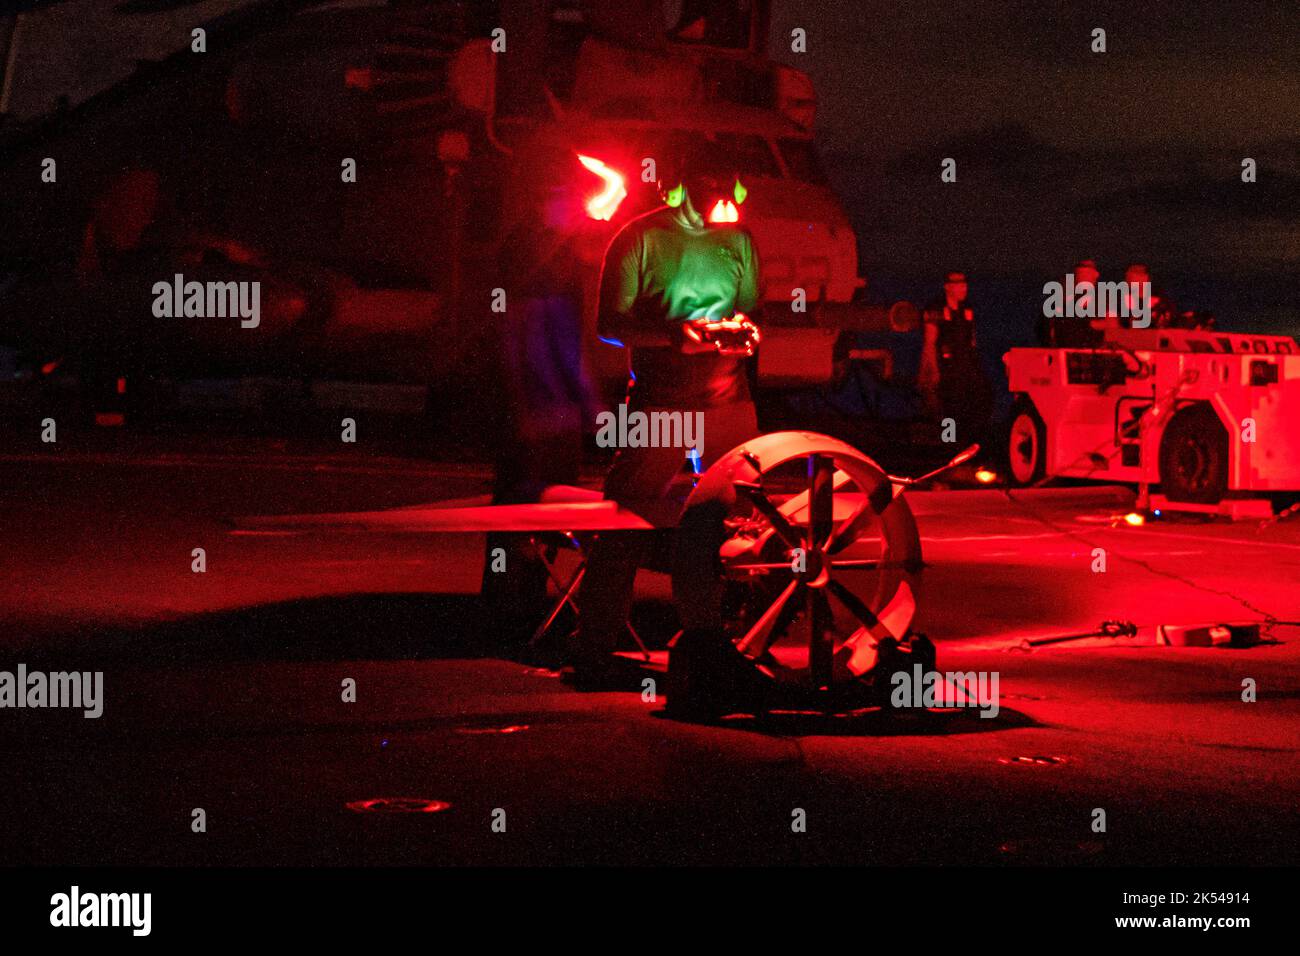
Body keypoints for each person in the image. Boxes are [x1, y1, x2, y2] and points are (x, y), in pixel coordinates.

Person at [571, 143, 762, 688]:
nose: (722, 206)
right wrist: (675, 337)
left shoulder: (739, 238)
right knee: (625, 521)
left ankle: (716, 647)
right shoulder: (637, 238)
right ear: (678, 187)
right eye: (710, 194)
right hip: (663, 402)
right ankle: (593, 652)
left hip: (730, 398)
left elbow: (755, 309)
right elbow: (610, 322)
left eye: (730, 194)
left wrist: (744, 334)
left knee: (732, 528)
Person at [481, 141, 601, 641]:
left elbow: (567, 338)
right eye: (569, 197)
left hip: (555, 411)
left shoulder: (554, 252)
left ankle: (521, 608)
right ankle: (509, 616)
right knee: (522, 510)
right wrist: (529, 405)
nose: (578, 208)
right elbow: (519, 333)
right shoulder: (531, 252)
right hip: (538, 410)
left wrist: (585, 401)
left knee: (542, 511)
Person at [919, 271, 992, 447]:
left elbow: (972, 340)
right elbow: (930, 342)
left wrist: (977, 367)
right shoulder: (936, 309)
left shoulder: (967, 309)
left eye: (965, 284)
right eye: (959, 284)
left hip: (965, 365)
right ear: (948, 287)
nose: (964, 288)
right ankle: (947, 443)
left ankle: (967, 441)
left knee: (977, 399)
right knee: (948, 406)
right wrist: (933, 371)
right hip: (946, 366)